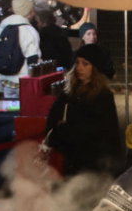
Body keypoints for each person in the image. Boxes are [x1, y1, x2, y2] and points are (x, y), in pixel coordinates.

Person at [44, 45, 125, 177]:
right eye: (77, 63)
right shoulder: (68, 94)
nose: (79, 68)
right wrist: (62, 135)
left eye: (85, 64)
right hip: (71, 162)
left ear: (95, 67)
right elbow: (51, 126)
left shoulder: (104, 96)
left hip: (96, 166)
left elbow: (110, 133)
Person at [0, 0, 41, 95]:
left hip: (5, 80)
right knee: (23, 109)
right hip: (23, 81)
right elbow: (34, 57)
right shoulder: (29, 30)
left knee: (9, 108)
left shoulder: (4, 28)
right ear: (29, 12)